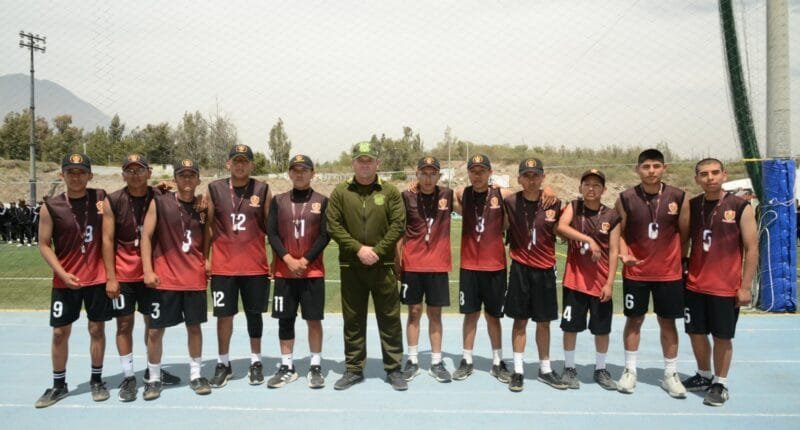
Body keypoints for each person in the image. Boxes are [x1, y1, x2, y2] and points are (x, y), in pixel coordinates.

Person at [327, 141, 407, 391]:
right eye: (360, 160)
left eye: (369, 160)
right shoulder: (341, 192)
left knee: (390, 318)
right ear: (353, 163)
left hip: (383, 266)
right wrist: (358, 249)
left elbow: (398, 224)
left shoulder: (390, 191)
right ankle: (353, 369)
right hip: (351, 266)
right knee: (353, 319)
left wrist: (377, 251)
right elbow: (333, 225)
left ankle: (393, 369)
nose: (364, 165)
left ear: (377, 163)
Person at [679, 158, 758, 407]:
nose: (710, 177)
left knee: (722, 336)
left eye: (715, 173)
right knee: (695, 332)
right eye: (704, 174)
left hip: (725, 287)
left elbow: (752, 248)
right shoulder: (692, 205)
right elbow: (683, 240)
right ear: (697, 179)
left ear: (724, 175)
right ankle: (704, 375)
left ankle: (720, 383)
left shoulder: (740, 205)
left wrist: (745, 286)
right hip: (695, 284)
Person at [34, 153, 111, 408]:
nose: (76, 177)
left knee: (97, 329)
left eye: (81, 172)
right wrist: (61, 273)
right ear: (62, 175)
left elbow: (131, 198)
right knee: (59, 333)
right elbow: (44, 244)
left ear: (90, 175)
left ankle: (96, 380)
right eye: (70, 172)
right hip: (65, 280)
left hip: (97, 278)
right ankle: (58, 385)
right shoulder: (51, 206)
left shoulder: (101, 198)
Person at [102, 153, 180, 402]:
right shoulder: (113, 200)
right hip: (124, 274)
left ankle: (151, 370)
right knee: (124, 325)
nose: (135, 175)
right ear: (123, 174)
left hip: (153, 273)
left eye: (140, 170)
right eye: (130, 170)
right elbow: (107, 240)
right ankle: (128, 376)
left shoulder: (160, 196)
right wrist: (111, 277)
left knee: (154, 326)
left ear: (149, 172)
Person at [615, 149, 689, 398]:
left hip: (668, 274)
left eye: (656, 166)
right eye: (646, 167)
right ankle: (630, 370)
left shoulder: (678, 196)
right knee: (634, 320)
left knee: (667, 322)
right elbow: (619, 233)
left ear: (664, 168)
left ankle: (670, 374)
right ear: (638, 169)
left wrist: (676, 260)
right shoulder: (626, 198)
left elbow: (685, 234)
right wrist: (624, 253)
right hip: (636, 272)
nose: (651, 171)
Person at [140, 158, 211, 400]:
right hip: (165, 279)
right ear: (175, 179)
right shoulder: (160, 203)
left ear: (198, 179)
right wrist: (147, 270)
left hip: (193, 278)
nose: (187, 179)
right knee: (155, 331)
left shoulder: (203, 206)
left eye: (192, 175)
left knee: (195, 328)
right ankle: (154, 378)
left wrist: (207, 259)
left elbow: (209, 234)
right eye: (182, 175)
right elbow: (146, 236)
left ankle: (196, 375)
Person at [205, 144, 272, 387]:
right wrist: (206, 258)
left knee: (255, 315)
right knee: (224, 316)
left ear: (252, 165)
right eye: (236, 160)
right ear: (228, 163)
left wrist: (274, 259)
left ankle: (256, 361)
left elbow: (271, 226)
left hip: (255, 266)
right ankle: (223, 363)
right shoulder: (214, 188)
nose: (240, 165)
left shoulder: (262, 189)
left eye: (245, 161)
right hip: (224, 267)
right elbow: (208, 226)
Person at [266, 154, 330, 389]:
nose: (300, 174)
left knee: (313, 320)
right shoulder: (279, 200)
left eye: (304, 170)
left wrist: (304, 260)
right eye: (295, 170)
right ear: (289, 173)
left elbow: (325, 235)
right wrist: (287, 259)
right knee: (285, 320)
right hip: (285, 273)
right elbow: (272, 233)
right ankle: (287, 367)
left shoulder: (322, 201)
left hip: (312, 272)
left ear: (313, 173)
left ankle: (315, 366)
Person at [503, 158, 567, 392]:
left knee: (543, 322)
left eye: (536, 175)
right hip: (520, 268)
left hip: (545, 270)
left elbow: (564, 228)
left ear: (543, 177)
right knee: (520, 321)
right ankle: (518, 370)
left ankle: (545, 369)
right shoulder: (510, 202)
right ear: (519, 178)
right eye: (527, 175)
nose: (531, 180)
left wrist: (549, 190)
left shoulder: (555, 203)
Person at [556, 169, 620, 391]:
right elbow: (561, 227)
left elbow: (614, 251)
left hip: (600, 283)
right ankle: (569, 367)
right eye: (587, 184)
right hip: (575, 281)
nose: (591, 189)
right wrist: (588, 240)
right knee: (570, 327)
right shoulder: (574, 207)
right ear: (580, 187)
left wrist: (609, 283)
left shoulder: (612, 215)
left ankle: (600, 369)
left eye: (596, 185)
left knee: (602, 329)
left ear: (604, 189)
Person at [451, 154, 510, 383]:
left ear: (490, 173)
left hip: (495, 266)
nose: (477, 175)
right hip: (470, 267)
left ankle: (497, 361)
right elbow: (449, 193)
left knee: (493, 316)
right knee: (471, 315)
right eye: (473, 171)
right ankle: (467, 360)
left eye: (482, 171)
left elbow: (525, 194)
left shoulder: (500, 195)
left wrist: (549, 190)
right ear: (468, 173)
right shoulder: (464, 195)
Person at [398, 156, 456, 383]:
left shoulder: (447, 195)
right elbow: (398, 230)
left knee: (435, 314)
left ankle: (436, 362)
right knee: (413, 312)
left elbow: (474, 194)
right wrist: (397, 261)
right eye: (424, 173)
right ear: (417, 174)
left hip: (438, 266)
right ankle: (412, 360)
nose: (428, 178)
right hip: (412, 264)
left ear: (439, 176)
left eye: (433, 174)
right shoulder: (406, 197)